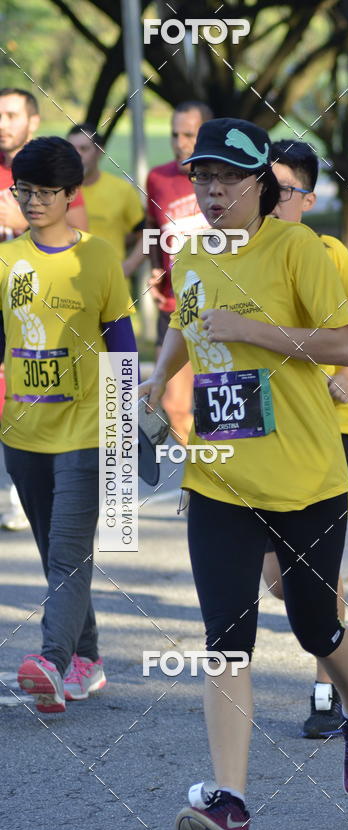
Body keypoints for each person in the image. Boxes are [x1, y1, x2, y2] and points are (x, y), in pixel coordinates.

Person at [140, 118, 348, 830]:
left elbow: (344, 340)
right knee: (226, 642)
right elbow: (188, 322)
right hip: (220, 478)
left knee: (314, 625)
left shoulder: (299, 249)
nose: (211, 191)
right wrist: (158, 380)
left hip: (308, 477)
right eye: (201, 178)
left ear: (259, 185)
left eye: (227, 179)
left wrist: (252, 331)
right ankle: (231, 806)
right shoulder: (190, 253)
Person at [0, 137, 137, 711]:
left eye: (45, 192)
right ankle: (89, 660)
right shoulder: (6, 261)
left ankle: (51, 662)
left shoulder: (99, 257)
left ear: (71, 194)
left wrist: (125, 432)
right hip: (24, 433)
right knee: (53, 548)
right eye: (23, 190)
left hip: (86, 429)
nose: (32, 201)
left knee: (68, 554)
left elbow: (121, 345)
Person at [263, 139, 348, 738]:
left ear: (308, 199)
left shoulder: (326, 251)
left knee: (314, 562)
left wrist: (347, 377)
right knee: (279, 574)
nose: (268, 196)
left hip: (329, 426)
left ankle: (328, 690)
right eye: (262, 183)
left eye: (283, 188)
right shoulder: (238, 255)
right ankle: (341, 665)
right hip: (265, 430)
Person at [0, 88, 88, 531]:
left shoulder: (55, 166)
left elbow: (79, 233)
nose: (2, 123)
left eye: (11, 114)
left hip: (47, 305)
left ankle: (24, 491)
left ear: (32, 121)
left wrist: (21, 224)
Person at [145, 100, 212, 445]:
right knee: (174, 406)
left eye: (189, 134)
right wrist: (156, 268)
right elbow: (154, 232)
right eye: (175, 134)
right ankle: (197, 486)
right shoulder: (158, 178)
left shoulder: (222, 179)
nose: (180, 141)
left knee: (218, 404)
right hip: (176, 305)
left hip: (220, 302)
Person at [67, 123, 145, 276]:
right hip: (67, 284)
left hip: (111, 287)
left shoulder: (122, 189)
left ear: (99, 150)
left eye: (83, 149)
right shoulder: (55, 191)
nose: (77, 155)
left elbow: (149, 235)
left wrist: (129, 266)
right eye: (71, 149)